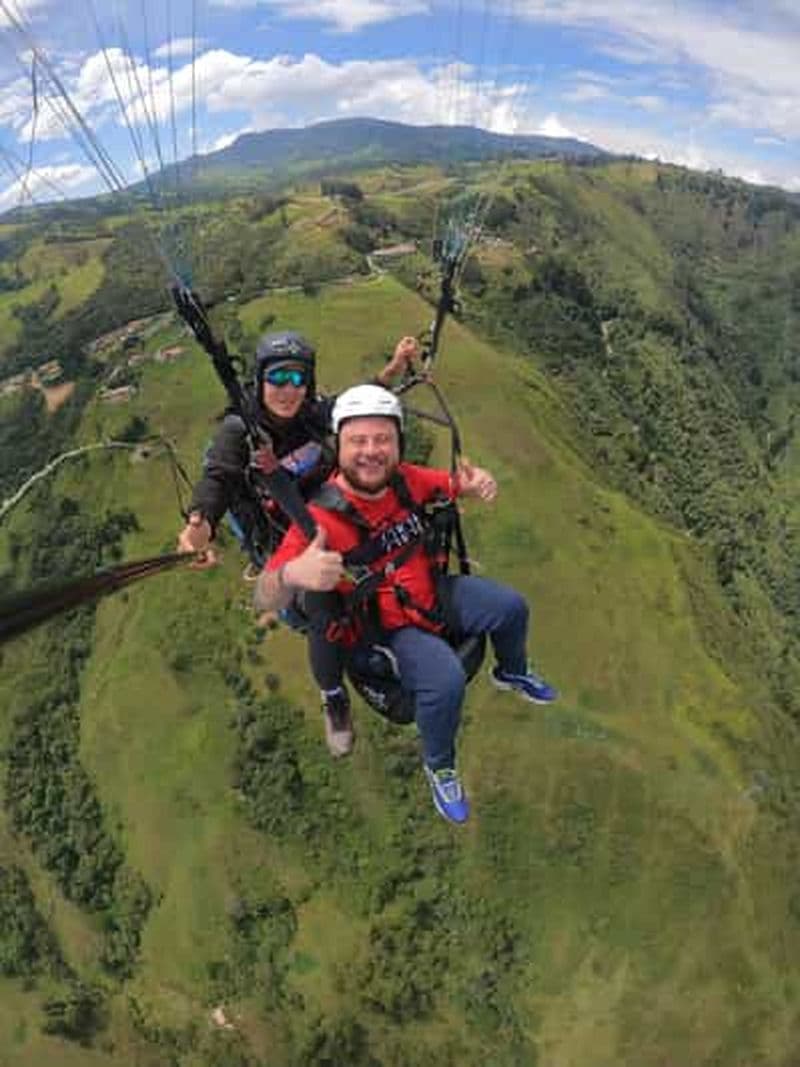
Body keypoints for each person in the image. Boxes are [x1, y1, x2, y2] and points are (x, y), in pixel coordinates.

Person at [253, 384, 557, 824]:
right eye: (358, 441)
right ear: (339, 447)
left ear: (398, 445)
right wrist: (292, 575)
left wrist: (475, 485)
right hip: (391, 629)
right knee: (445, 681)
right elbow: (264, 592)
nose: (371, 451)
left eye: (383, 440)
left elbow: (452, 485)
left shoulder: (406, 480)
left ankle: (510, 672)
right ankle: (440, 766)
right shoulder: (318, 521)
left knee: (511, 607)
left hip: (432, 595)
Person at [177, 330, 417, 753]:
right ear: (259, 380)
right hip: (284, 543)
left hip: (327, 518)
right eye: (278, 377)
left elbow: (358, 402)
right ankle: (334, 696)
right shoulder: (240, 431)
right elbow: (217, 477)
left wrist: (396, 366)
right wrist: (199, 524)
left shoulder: (313, 414)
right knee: (324, 596)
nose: (288, 390)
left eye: (297, 379)